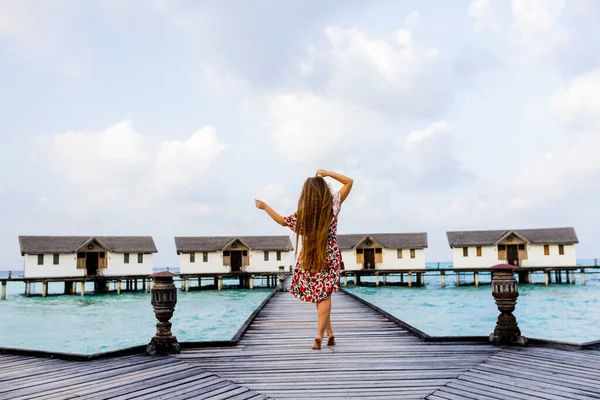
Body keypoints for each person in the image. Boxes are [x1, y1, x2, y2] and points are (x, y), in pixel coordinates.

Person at [255, 169, 353, 350]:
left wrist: (265, 207)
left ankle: (326, 334)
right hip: (329, 254)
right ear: (324, 191)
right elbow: (349, 182)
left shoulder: (304, 214)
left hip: (310, 256)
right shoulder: (332, 204)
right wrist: (327, 174)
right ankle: (322, 335)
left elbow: (282, 221)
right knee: (324, 294)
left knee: (319, 293)